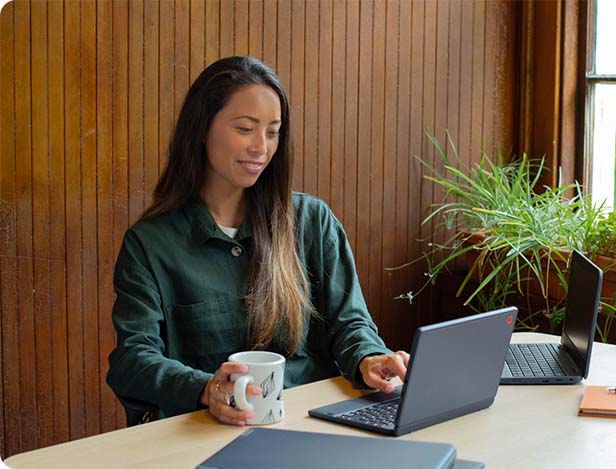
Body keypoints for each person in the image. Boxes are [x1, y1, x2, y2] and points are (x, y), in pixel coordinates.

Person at [107, 56, 409, 426]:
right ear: (203, 129)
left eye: (272, 131)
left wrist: (369, 357)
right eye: (246, 128)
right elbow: (132, 359)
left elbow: (350, 323)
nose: (261, 148)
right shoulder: (150, 243)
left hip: (313, 425)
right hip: (208, 433)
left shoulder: (312, 221)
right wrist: (204, 388)